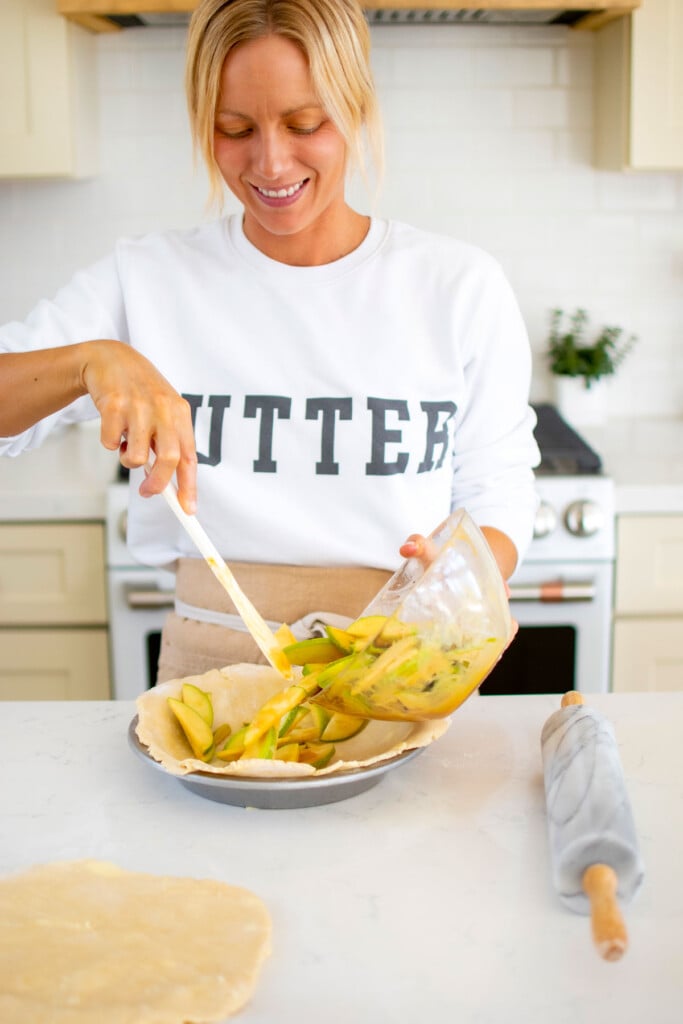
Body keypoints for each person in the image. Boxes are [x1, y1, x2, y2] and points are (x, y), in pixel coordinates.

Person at [0, 0, 539, 683]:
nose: (270, 162)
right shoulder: (146, 279)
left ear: (356, 109)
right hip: (209, 670)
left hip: (396, 668)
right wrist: (88, 362)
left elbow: (497, 486)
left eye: (303, 124)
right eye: (234, 129)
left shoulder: (457, 284)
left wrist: (469, 577)